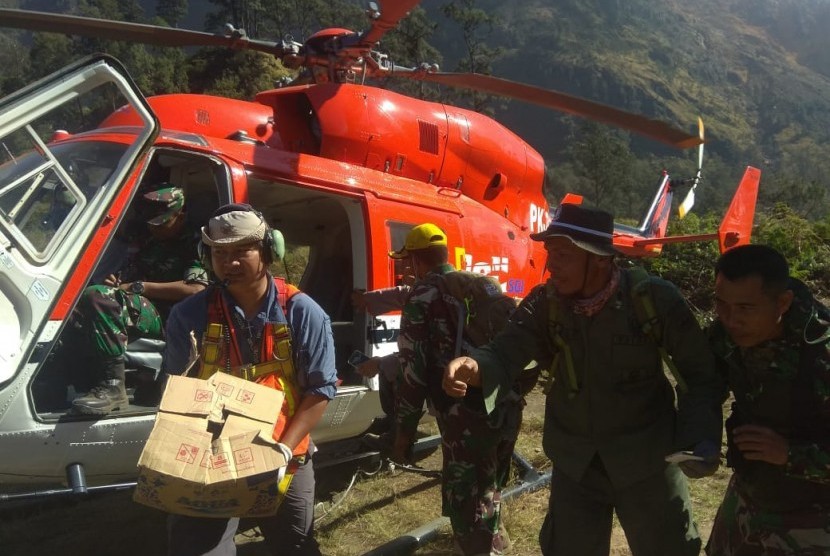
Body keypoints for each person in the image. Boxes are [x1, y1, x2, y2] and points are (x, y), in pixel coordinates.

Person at [443, 204, 724, 556]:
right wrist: (473, 365)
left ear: (600, 259)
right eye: (550, 253)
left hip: (647, 461)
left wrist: (699, 437)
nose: (551, 265)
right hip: (576, 464)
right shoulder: (545, 304)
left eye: (563, 255)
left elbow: (700, 374)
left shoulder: (653, 300)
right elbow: (504, 350)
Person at [160, 203, 337, 556]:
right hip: (210, 453)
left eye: (243, 250)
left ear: (269, 251)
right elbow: (176, 387)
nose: (230, 262)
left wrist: (283, 450)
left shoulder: (302, 313)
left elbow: (321, 389)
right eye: (220, 253)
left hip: (283, 450)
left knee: (295, 544)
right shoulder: (189, 314)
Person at [389, 222, 522, 555]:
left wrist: (404, 432)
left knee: (466, 497)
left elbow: (413, 373)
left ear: (417, 260)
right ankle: (496, 543)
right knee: (490, 485)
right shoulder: (475, 285)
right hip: (504, 401)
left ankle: (477, 548)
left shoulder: (423, 296)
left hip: (465, 414)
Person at [706, 244, 830, 555]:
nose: (731, 319)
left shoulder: (821, 355)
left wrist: (790, 454)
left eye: (746, 308)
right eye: (721, 304)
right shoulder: (725, 335)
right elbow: (702, 386)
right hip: (747, 503)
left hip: (813, 523)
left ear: (783, 302)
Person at [70, 185, 208, 415]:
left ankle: (113, 388)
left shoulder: (194, 243)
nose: (154, 229)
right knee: (80, 303)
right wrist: (117, 282)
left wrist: (139, 287)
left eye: (161, 223)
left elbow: (196, 289)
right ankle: (73, 378)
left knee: (99, 298)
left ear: (180, 216)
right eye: (151, 223)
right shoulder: (149, 241)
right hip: (137, 306)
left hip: (169, 316)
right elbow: (133, 271)